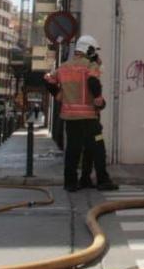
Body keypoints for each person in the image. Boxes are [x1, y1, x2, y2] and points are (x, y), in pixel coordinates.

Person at [45, 35, 117, 192]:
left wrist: (58, 95)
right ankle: (103, 180)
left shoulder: (63, 67)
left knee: (73, 149)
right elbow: (93, 81)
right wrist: (98, 98)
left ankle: (71, 183)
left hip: (70, 117)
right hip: (89, 117)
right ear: (88, 49)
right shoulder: (89, 66)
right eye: (94, 51)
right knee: (97, 147)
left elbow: (49, 80)